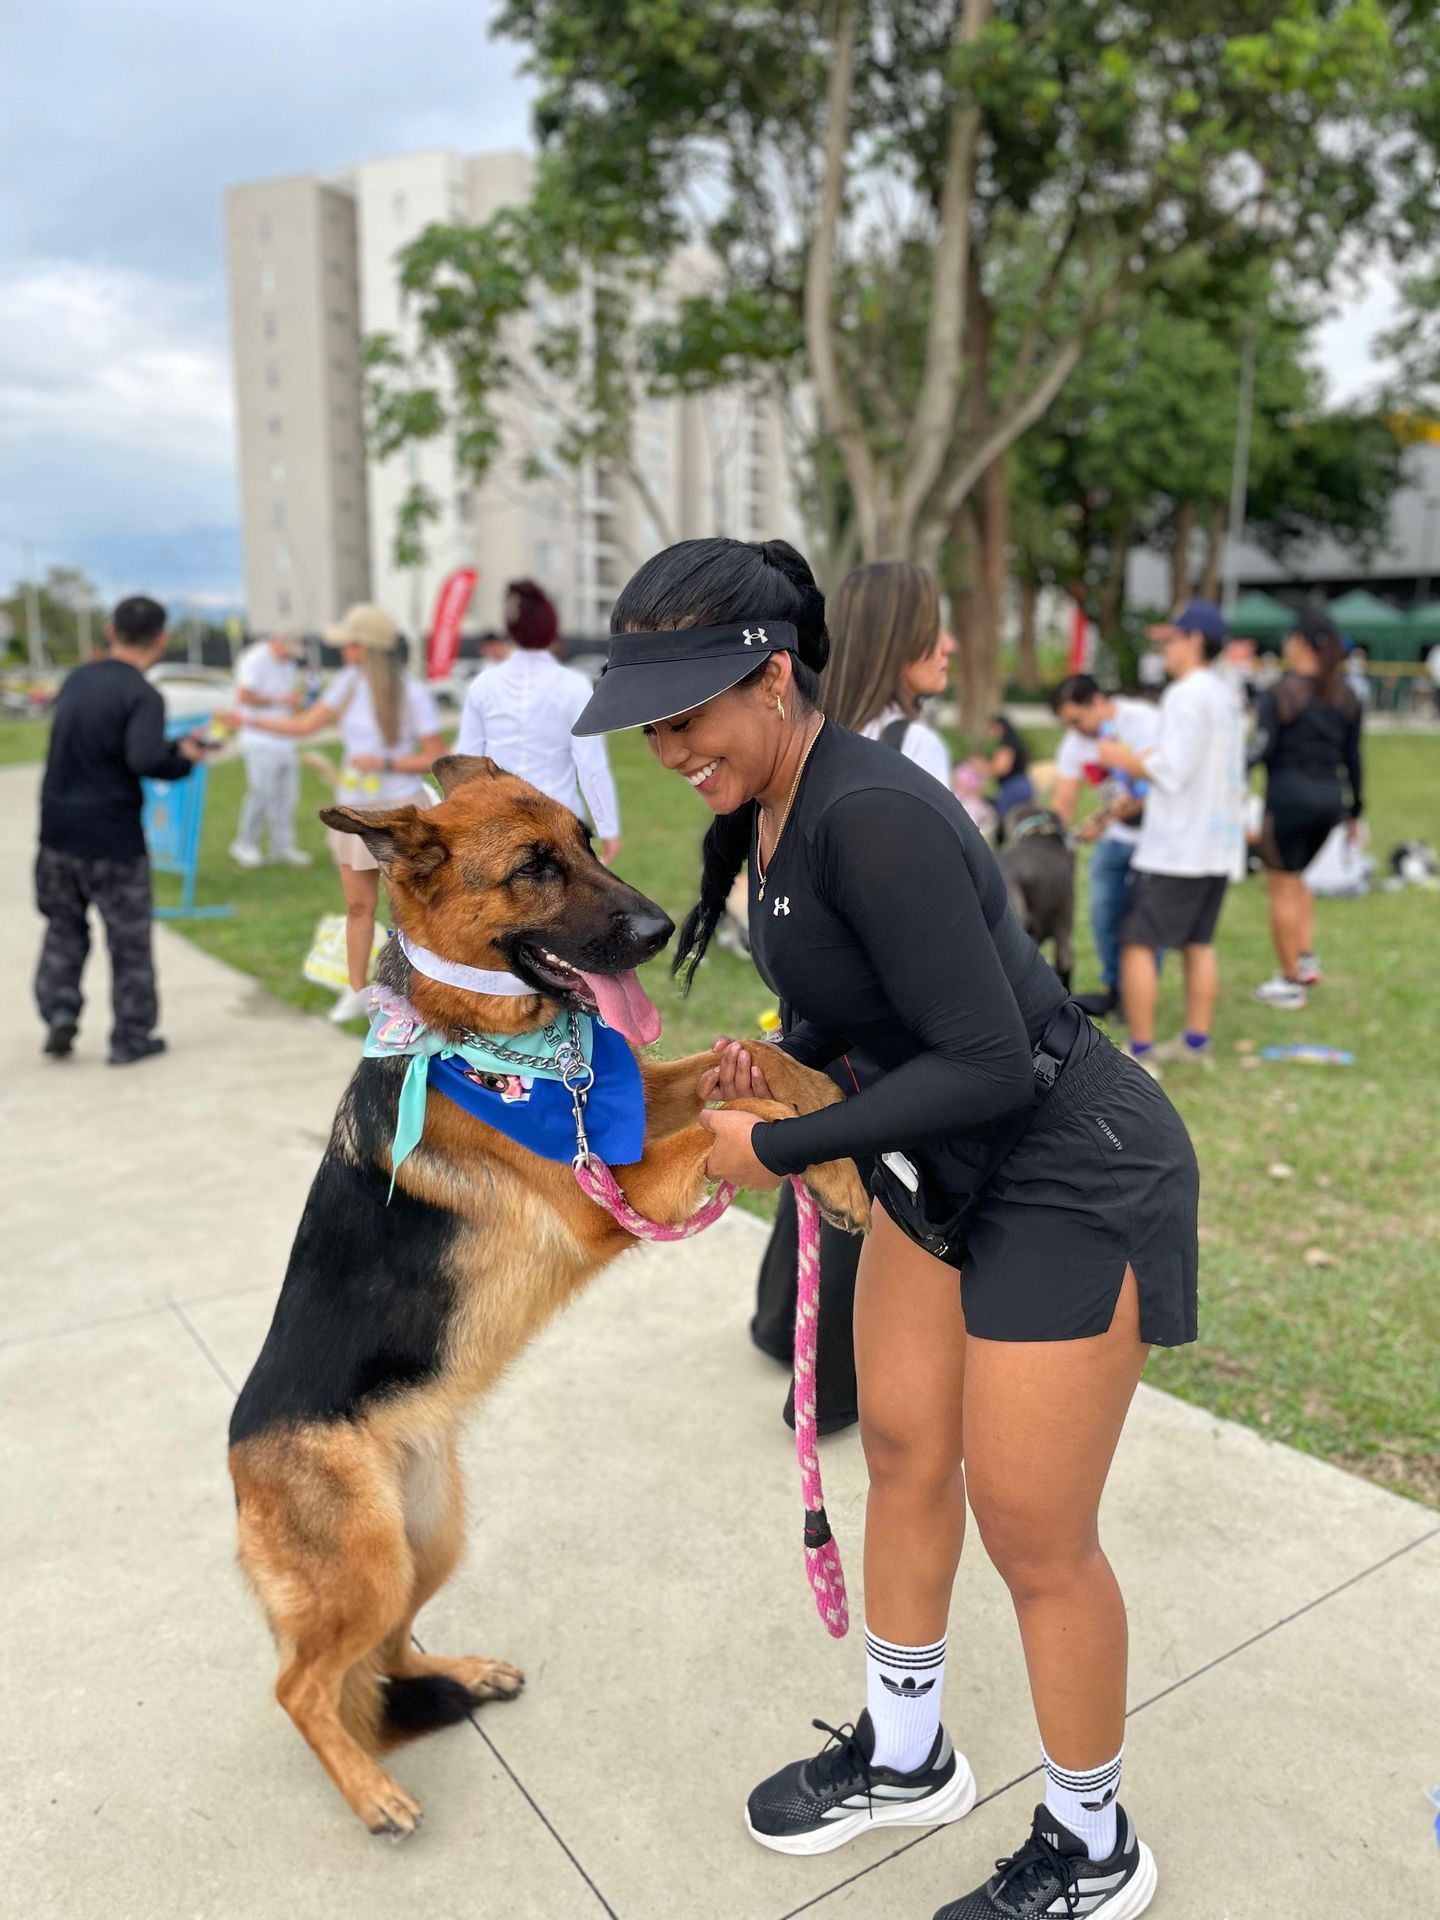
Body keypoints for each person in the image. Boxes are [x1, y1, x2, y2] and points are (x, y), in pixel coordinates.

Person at [574, 536, 1198, 1920]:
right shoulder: (775, 812)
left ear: (772, 677)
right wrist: (790, 1068)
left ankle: (1094, 1843)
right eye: (652, 723)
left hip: (1062, 1166)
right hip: (934, 1166)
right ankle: (908, 1755)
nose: (670, 747)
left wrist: (781, 1144)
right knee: (906, 1450)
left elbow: (984, 1055)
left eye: (686, 715)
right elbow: (871, 1018)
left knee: (1033, 1528)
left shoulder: (871, 808)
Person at [753, 560, 955, 1437]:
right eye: (935, 630)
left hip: (819, 1002)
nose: (948, 647)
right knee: (868, 1196)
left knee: (818, 1168)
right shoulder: (910, 748)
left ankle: (778, 1329)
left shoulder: (818, 745)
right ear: (900, 639)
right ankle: (830, 1387)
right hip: (896, 1016)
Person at [231, 604, 445, 1022]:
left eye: (349, 642)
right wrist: (247, 720)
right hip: (355, 813)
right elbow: (304, 726)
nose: (343, 649)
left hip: (401, 812)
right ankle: (358, 990)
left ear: (366, 648)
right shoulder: (347, 683)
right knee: (357, 906)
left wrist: (383, 764)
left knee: (411, 908)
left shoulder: (411, 691)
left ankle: (421, 990)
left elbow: (434, 754)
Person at [34, 594, 215, 1064]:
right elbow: (142, 758)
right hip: (111, 837)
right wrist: (184, 759)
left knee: (64, 927)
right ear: (161, 639)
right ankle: (130, 1036)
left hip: (56, 830)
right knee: (128, 939)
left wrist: (170, 746)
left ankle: (59, 1011)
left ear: (111, 632)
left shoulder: (77, 680)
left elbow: (102, 744)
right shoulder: (142, 694)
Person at [1095, 601, 1245, 1075]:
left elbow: (1171, 768)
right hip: (1216, 843)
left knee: (1137, 942)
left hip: (1177, 849)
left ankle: (1141, 1051)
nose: (1165, 649)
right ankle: (1195, 1042)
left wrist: (1118, 756)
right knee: (1198, 943)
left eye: (1171, 640)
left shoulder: (1186, 694)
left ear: (1194, 640)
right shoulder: (1224, 694)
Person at [456, 580, 621, 863]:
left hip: (500, 823)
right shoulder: (573, 685)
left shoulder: (484, 685)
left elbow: (466, 762)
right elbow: (591, 764)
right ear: (552, 630)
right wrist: (608, 827)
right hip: (560, 823)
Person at [1251, 612, 1363, 1009]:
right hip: (1329, 802)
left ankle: (1289, 982)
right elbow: (1354, 758)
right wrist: (1356, 812)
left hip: (1288, 800)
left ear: (1299, 643)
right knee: (1300, 880)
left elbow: (1259, 750)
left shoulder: (1278, 693)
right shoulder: (1347, 694)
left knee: (1281, 885)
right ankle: (1306, 958)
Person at [1050, 676, 1161, 1020]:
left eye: (1077, 719)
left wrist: (1107, 817)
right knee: (1103, 912)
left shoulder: (1142, 720)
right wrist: (1053, 834)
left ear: (1098, 701)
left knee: (1144, 920)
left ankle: (1138, 996)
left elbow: (1153, 781)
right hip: (1117, 838)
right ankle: (1115, 988)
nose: (1073, 729)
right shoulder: (1074, 742)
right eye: (1065, 723)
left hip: (1157, 837)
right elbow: (1063, 801)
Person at [228, 631, 312, 869]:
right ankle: (245, 844)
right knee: (261, 793)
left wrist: (294, 706)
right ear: (277, 641)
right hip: (258, 739)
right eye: (288, 651)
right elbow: (244, 695)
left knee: (287, 795)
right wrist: (279, 701)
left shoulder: (287, 663)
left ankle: (282, 845)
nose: (290, 657)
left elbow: (285, 697)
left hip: (283, 737)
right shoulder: (254, 659)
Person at [982, 713, 1034, 816]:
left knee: (1007, 819)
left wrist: (985, 768)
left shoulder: (1007, 744)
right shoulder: (1015, 742)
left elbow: (1002, 768)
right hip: (1022, 783)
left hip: (1013, 786)